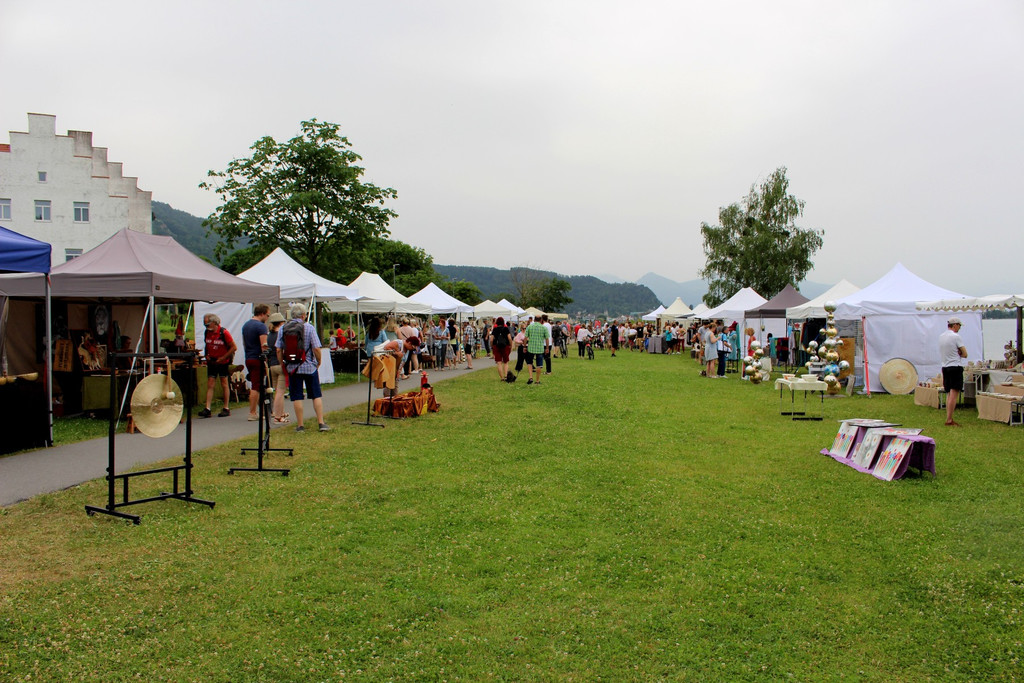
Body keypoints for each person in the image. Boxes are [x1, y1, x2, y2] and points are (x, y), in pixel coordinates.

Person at [276, 304, 329, 432]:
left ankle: (300, 425)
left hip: (293, 367)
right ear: (304, 315)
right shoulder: (309, 328)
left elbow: (278, 349)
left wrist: (282, 363)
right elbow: (316, 348)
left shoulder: (283, 328)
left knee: (297, 396)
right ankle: (321, 422)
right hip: (309, 366)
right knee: (316, 395)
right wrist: (318, 361)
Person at [200, 313, 237, 418]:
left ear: (214, 322)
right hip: (212, 361)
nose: (206, 327)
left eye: (208, 324)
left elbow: (234, 347)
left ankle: (226, 407)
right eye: (205, 325)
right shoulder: (207, 332)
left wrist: (224, 357)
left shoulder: (224, 333)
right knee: (210, 383)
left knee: (224, 382)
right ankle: (207, 408)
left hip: (222, 362)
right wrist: (206, 355)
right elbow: (207, 344)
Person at [241, 303, 271, 421]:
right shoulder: (261, 327)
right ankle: (252, 412)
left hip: (249, 357)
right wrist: (266, 358)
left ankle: (260, 410)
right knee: (256, 386)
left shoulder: (246, 325)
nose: (267, 318)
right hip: (258, 358)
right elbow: (264, 345)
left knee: (256, 384)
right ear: (262, 314)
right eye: (267, 315)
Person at [939, 316, 968, 426]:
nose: (959, 328)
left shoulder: (941, 336)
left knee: (948, 393)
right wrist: (960, 353)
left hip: (945, 366)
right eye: (959, 326)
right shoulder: (956, 337)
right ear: (955, 325)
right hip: (955, 366)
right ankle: (949, 419)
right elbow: (965, 354)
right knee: (954, 393)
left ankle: (948, 417)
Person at [265, 312, 290, 424]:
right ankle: (277, 416)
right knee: (280, 392)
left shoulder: (269, 336)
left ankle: (281, 412)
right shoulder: (280, 335)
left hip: (271, 365)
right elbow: (280, 349)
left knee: (277, 391)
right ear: (281, 323)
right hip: (280, 365)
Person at [525, 316, 549, 385]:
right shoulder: (544, 327)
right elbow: (547, 339)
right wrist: (547, 348)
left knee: (529, 363)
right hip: (540, 348)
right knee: (539, 365)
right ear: (541, 320)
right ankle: (537, 380)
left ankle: (530, 377)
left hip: (531, 348)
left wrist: (524, 346)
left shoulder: (529, 327)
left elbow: (525, 337)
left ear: (534, 319)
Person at [490, 316, 513, 381]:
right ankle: (506, 376)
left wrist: (492, 346)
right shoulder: (506, 329)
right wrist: (511, 345)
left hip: (496, 346)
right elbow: (509, 338)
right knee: (505, 362)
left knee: (499, 362)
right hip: (505, 346)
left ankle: (502, 378)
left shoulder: (495, 329)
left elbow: (491, 339)